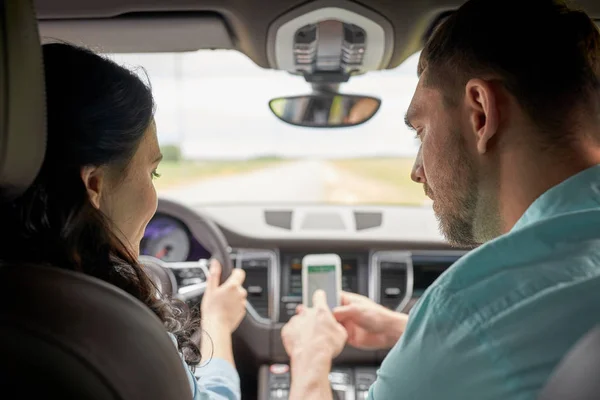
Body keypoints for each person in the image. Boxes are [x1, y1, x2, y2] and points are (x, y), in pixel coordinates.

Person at [282, 0, 600, 399]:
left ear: (481, 113)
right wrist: (408, 333)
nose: (417, 170)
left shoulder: (467, 311)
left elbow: (484, 336)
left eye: (421, 130)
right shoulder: (479, 325)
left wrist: (310, 358)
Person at [0, 43, 245, 400]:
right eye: (153, 173)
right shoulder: (113, 335)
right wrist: (219, 322)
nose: (153, 193)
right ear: (94, 185)